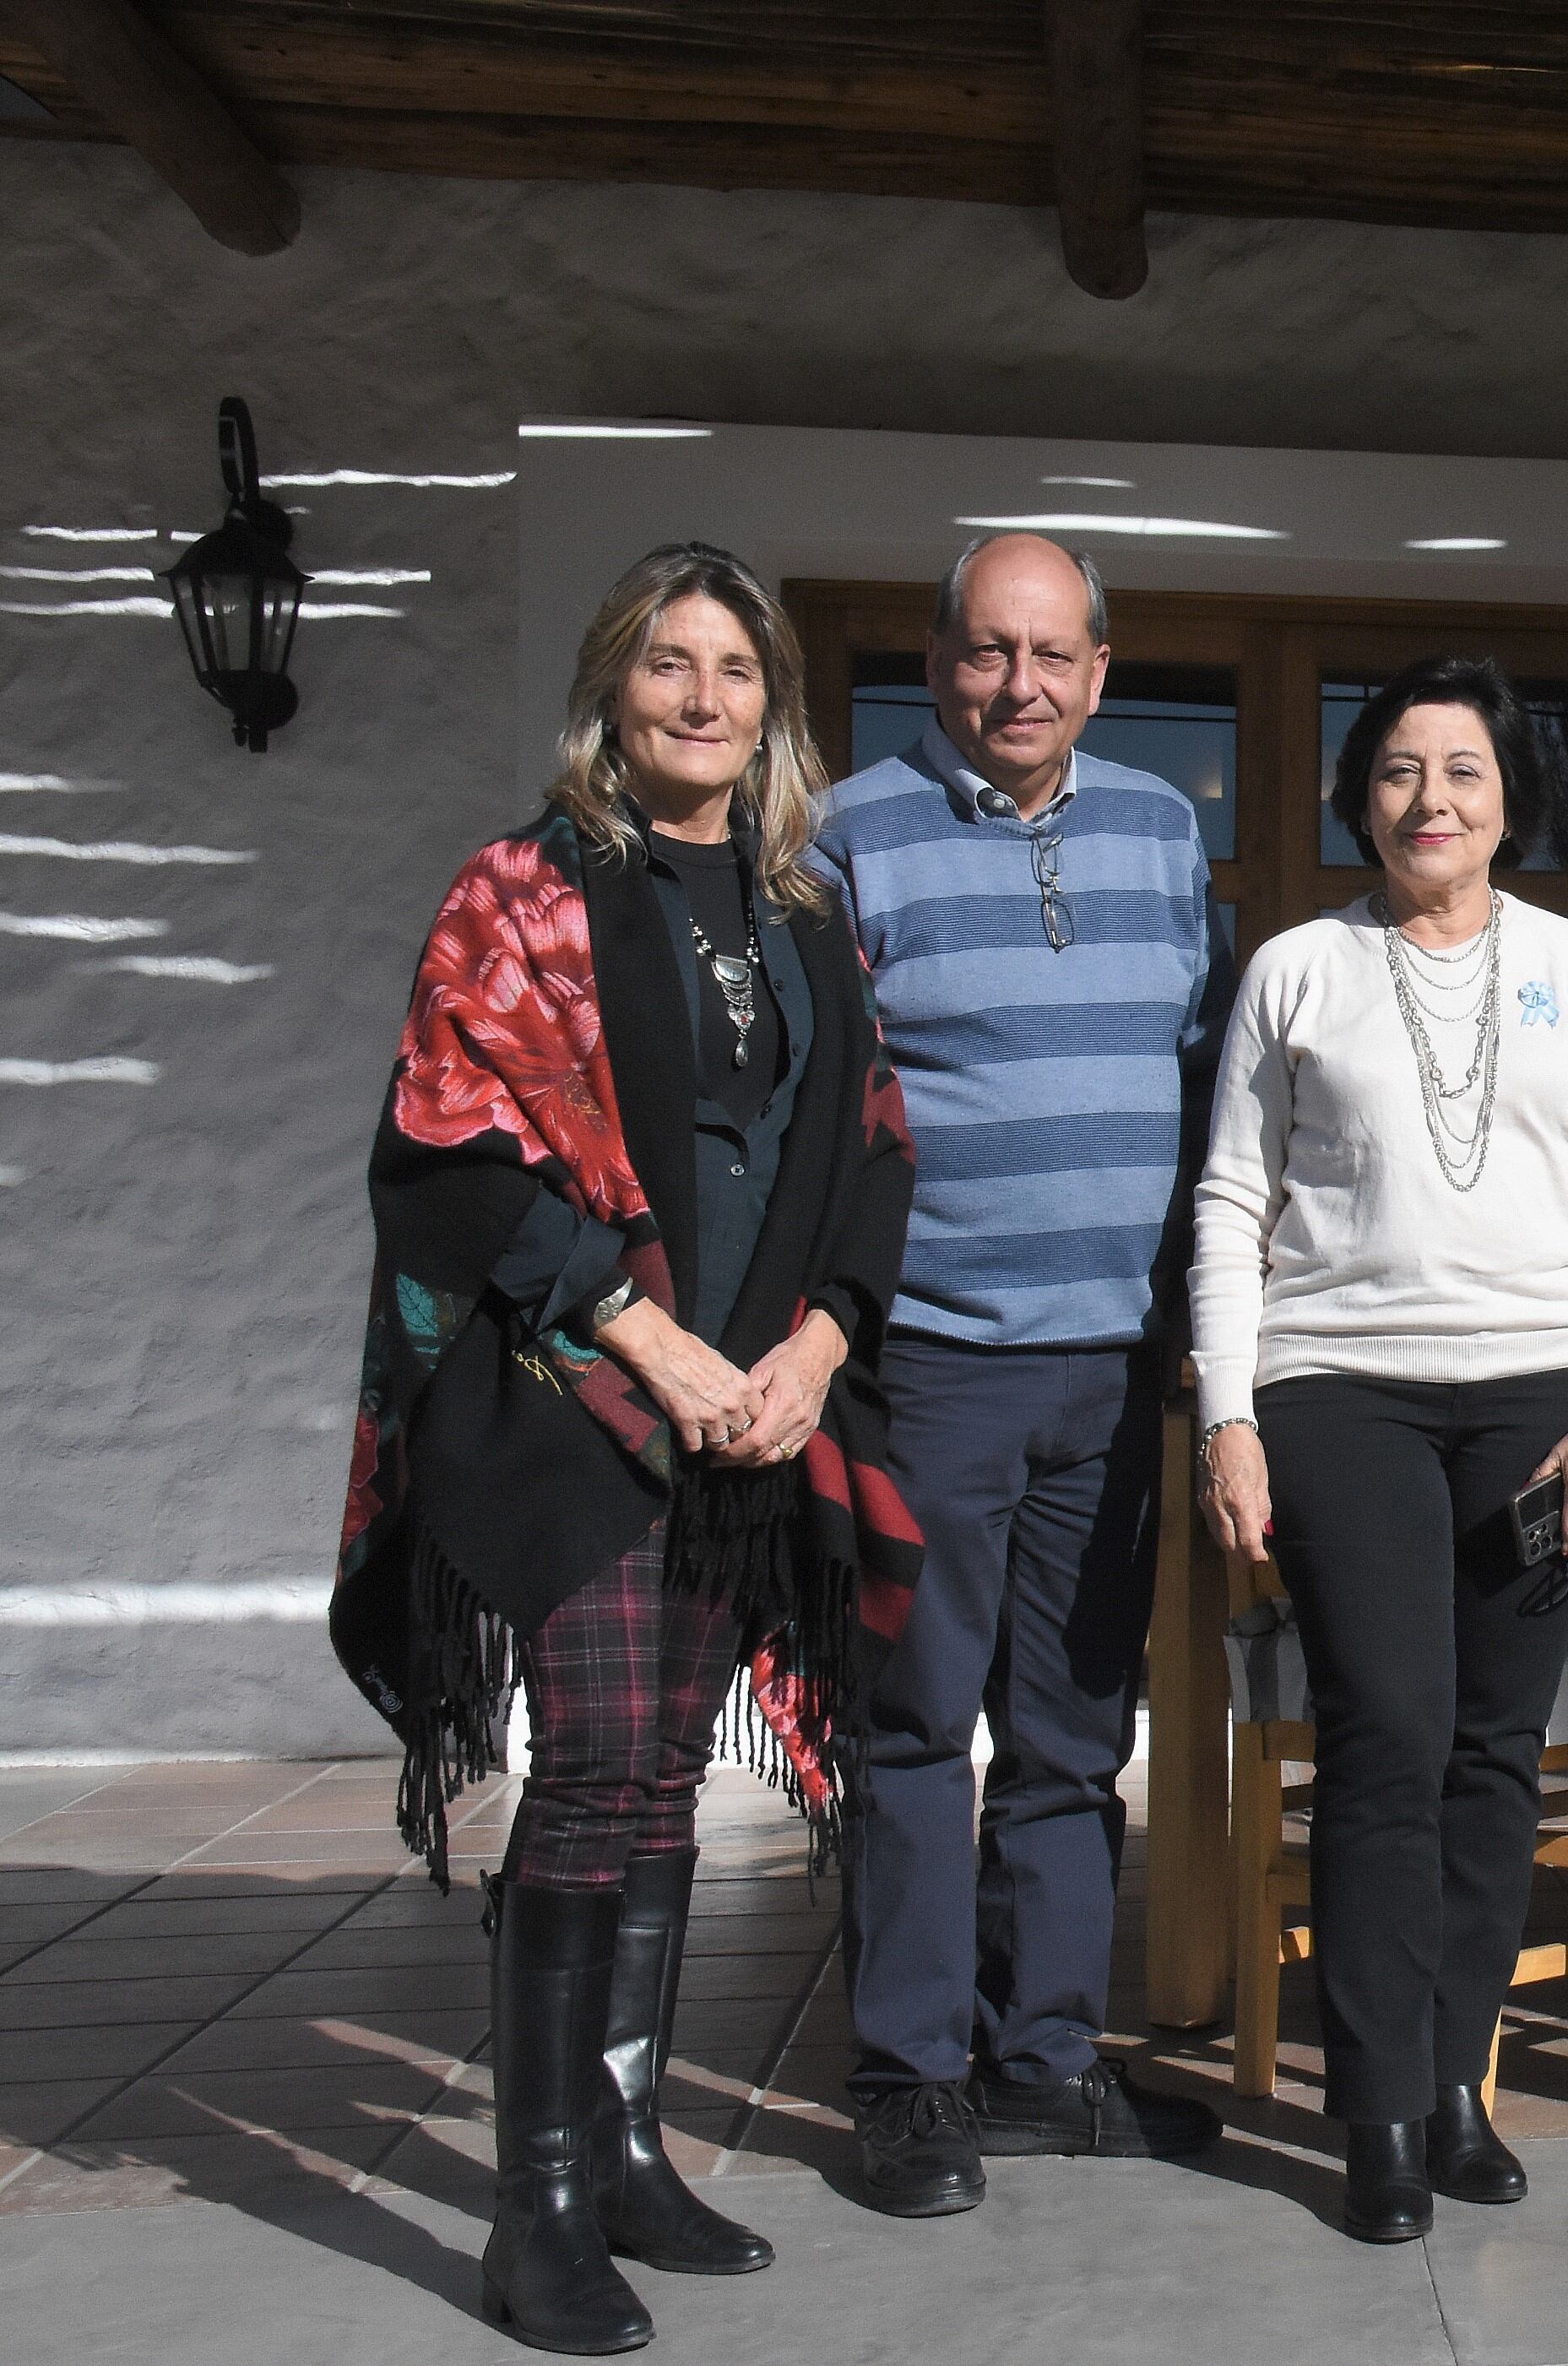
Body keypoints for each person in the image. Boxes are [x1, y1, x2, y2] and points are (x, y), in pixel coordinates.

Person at [331, 543, 920, 2352]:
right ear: (614, 685)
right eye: (668, 662)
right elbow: (451, 1152)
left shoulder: (805, 905)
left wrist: (817, 1348)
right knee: (592, 1777)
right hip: (576, 1405)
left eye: (734, 669)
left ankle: (630, 2145)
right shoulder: (523, 891)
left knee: (662, 1776)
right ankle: (539, 2212)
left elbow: (871, 1147)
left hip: (753, 1416)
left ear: (773, 707)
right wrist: (650, 1338)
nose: (701, 695)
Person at [1191, 654, 1568, 2243]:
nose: (1430, 800)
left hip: (1538, 1402)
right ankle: (1378, 2107)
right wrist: (1229, 1413)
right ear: (1358, 797)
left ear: (1506, 798)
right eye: (1398, 771)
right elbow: (1229, 1205)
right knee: (1388, 1740)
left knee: (1493, 1751)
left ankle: (1460, 2078)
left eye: (1461, 770)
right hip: (1343, 1391)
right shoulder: (1294, 970)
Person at [810, 532, 1228, 2217]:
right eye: (990, 652)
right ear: (938, 660)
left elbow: (1197, 1078)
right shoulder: (848, 834)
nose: (1019, 687)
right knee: (915, 1727)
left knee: (1069, 1735)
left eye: (1052, 656)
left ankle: (1044, 2060)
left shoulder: (1159, 825)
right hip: (932, 1362)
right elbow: (831, 1096)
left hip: (1112, 1368)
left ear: (1101, 673)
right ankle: (908, 2079)